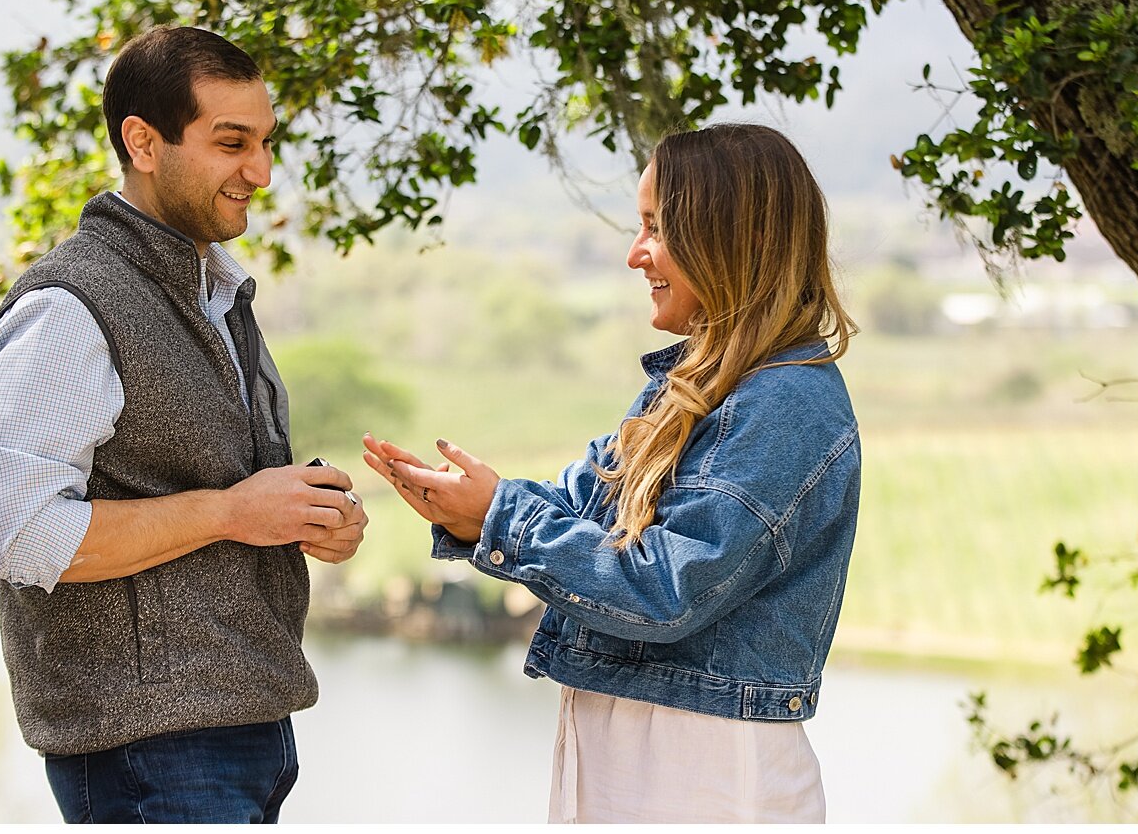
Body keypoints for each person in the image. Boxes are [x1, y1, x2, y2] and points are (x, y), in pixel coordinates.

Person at [363, 123, 860, 823]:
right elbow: (586, 511)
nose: (636, 254)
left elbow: (665, 590)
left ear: (730, 238)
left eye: (657, 228)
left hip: (704, 775)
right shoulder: (690, 388)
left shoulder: (785, 404)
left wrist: (501, 515)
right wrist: (466, 508)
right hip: (637, 755)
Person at [0, 25, 368, 824]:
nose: (259, 172)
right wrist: (232, 512)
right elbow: (25, 537)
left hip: (243, 730)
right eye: (231, 143)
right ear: (143, 142)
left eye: (264, 143)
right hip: (145, 750)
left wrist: (307, 514)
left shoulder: (215, 294)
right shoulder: (67, 307)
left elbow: (225, 492)